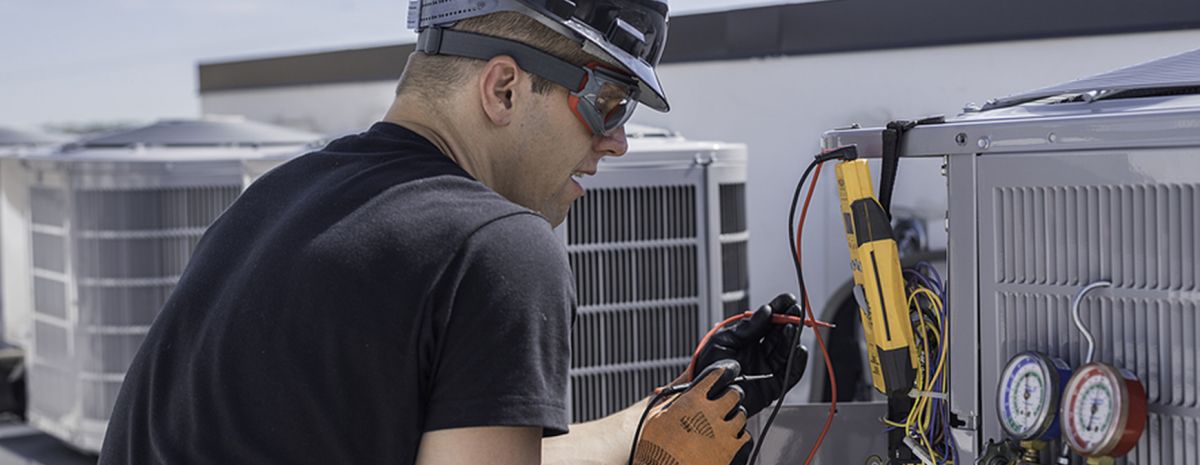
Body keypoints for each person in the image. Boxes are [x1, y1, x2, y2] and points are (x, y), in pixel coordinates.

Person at [98, 1, 807, 464]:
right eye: (609, 103)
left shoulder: (268, 205)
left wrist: (669, 411)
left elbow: (460, 448)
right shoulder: (496, 247)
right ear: (503, 88)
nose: (617, 142)